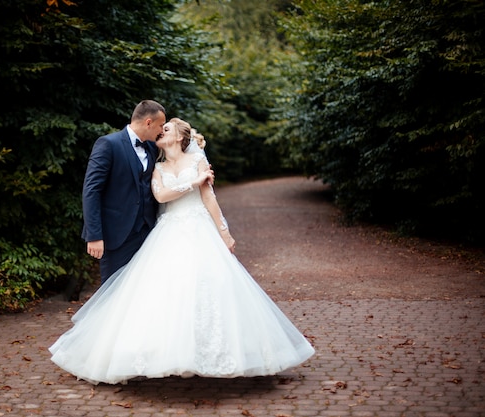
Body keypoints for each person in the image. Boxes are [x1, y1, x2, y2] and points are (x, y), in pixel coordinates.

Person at [50, 118, 315, 385]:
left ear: (179, 137)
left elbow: (209, 197)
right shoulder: (157, 164)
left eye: (166, 130)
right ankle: (157, 353)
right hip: (167, 232)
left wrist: (224, 232)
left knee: (211, 288)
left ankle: (215, 353)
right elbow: (161, 197)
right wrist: (192, 182)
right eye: (160, 128)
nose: (160, 132)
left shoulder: (198, 161)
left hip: (200, 230)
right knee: (163, 293)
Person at [81, 100, 166, 284]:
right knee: (113, 291)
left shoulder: (152, 147)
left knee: (147, 288)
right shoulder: (108, 144)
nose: (162, 131)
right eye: (160, 125)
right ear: (148, 122)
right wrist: (94, 235)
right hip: (117, 234)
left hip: (149, 233)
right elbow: (91, 190)